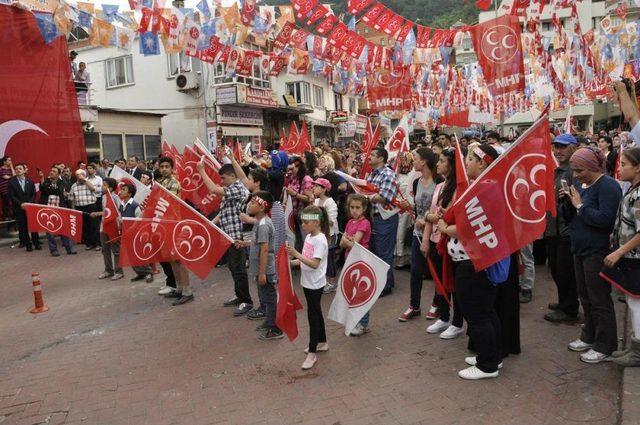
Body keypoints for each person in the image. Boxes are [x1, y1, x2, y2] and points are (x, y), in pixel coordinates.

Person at [437, 145, 502, 380]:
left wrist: (446, 228)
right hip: (471, 261)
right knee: (485, 312)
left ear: (483, 163)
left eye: (470, 159)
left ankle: (487, 365)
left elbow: (471, 227)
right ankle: (493, 356)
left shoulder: (485, 189)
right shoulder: (483, 186)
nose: (465, 163)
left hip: (473, 262)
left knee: (477, 314)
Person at [562, 147, 622, 363]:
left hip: (597, 251)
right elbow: (575, 217)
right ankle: (589, 336)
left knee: (599, 298)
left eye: (579, 170)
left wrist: (579, 206)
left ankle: (605, 345)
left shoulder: (608, 187)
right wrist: (568, 203)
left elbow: (605, 219)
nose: (576, 175)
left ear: (591, 167)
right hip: (579, 248)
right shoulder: (581, 185)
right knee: (585, 296)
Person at [199, 161, 252, 315]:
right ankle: (239, 295)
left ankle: (246, 301)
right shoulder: (231, 188)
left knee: (239, 269)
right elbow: (224, 212)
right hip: (228, 235)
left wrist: (201, 171)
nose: (221, 181)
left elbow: (213, 189)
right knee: (233, 267)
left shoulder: (237, 188)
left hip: (237, 236)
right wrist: (210, 224)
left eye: (223, 178)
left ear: (232, 176)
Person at [603, 147, 640, 367]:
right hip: (631, 256)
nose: (620, 167)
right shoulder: (632, 190)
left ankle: (638, 351)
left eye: (625, 164)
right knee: (632, 301)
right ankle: (634, 346)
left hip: (635, 257)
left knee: (636, 303)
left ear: (637, 167)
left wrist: (619, 251)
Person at [397, 148, 439, 325]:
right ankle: (414, 306)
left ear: (424, 162)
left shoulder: (440, 182)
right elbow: (417, 207)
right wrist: (409, 206)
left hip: (436, 234)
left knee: (436, 270)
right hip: (418, 233)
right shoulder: (416, 182)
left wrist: (426, 220)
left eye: (415, 158)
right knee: (415, 271)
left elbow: (439, 209)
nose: (412, 161)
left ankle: (438, 304)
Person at [286, 205, 330, 370]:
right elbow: (306, 259)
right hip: (307, 282)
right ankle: (322, 342)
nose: (302, 225)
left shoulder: (320, 240)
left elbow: (314, 263)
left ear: (316, 223)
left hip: (315, 284)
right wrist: (290, 263)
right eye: (302, 222)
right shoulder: (310, 237)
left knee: (312, 315)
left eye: (305, 222)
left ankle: (312, 352)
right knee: (316, 311)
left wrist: (296, 254)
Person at [544, 134, 581, 323]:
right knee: (557, 270)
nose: (558, 151)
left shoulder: (575, 171)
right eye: (556, 147)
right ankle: (564, 301)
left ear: (573, 148)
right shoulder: (558, 170)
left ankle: (569, 308)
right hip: (553, 228)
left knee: (564, 271)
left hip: (566, 230)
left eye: (563, 147)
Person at [241, 191, 283, 340]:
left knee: (270, 298)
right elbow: (258, 243)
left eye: (253, 203)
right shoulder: (260, 222)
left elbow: (265, 248)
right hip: (261, 268)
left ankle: (275, 328)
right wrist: (245, 243)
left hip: (265, 269)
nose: (249, 205)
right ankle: (269, 321)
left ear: (262, 207)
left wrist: (262, 272)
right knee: (266, 297)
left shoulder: (264, 224)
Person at [155, 157, 192, 305]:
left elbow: (165, 201)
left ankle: (188, 291)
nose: (164, 169)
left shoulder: (174, 183)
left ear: (172, 168)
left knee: (179, 258)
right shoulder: (161, 183)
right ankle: (179, 288)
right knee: (171, 258)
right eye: (162, 166)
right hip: (164, 224)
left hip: (174, 224)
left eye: (166, 166)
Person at [367, 147, 399, 296]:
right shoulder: (372, 174)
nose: (369, 157)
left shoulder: (387, 173)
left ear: (381, 159)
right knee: (375, 251)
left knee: (384, 252)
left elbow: (386, 196)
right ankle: (387, 281)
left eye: (373, 155)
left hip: (385, 218)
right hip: (374, 217)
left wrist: (366, 196)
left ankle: (385, 286)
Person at [340, 194, 373, 336]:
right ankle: (355, 320)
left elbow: (354, 244)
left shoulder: (364, 223)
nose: (354, 210)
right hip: (350, 261)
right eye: (352, 207)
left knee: (361, 294)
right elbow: (342, 244)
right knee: (352, 292)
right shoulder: (349, 222)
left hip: (361, 261)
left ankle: (363, 324)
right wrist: (348, 241)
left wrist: (348, 241)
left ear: (364, 208)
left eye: (357, 208)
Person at [40, 166, 76, 256]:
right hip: (48, 211)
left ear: (58, 174)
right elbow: (43, 189)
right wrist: (43, 180)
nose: (51, 172)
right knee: (50, 232)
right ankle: (54, 250)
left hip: (60, 209)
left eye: (54, 171)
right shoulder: (46, 182)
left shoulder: (61, 182)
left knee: (65, 230)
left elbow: (59, 191)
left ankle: (69, 249)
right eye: (51, 170)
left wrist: (51, 190)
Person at [93, 178, 123, 281]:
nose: (102, 187)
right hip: (104, 226)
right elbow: (105, 211)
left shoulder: (115, 198)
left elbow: (117, 211)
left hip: (114, 226)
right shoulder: (103, 197)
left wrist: (98, 213)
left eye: (104, 185)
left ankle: (119, 271)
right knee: (105, 249)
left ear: (110, 188)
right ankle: (108, 270)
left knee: (116, 250)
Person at [312, 178, 338, 292]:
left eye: (317, 186)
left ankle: (331, 282)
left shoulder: (330, 202)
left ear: (324, 189)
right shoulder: (316, 201)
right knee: (321, 258)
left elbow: (332, 221)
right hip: (319, 235)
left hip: (329, 235)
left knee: (330, 258)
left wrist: (319, 217)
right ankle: (323, 281)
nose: (314, 188)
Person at [8, 163, 40, 251]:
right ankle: (28, 245)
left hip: (30, 207)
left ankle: (36, 243)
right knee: (23, 227)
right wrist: (21, 204)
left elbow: (33, 194)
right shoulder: (11, 181)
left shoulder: (30, 181)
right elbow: (12, 195)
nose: (18, 170)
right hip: (19, 208)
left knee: (33, 226)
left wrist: (28, 204)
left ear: (24, 170)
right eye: (16, 169)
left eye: (20, 168)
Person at [285, 157, 314, 251]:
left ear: (299, 167)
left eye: (292, 169)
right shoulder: (293, 178)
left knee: (306, 241)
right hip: (294, 215)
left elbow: (310, 199)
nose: (290, 171)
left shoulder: (306, 179)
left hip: (304, 216)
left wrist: (295, 194)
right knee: (297, 242)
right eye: (288, 169)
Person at [394, 152, 417, 268]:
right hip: (395, 208)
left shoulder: (414, 175)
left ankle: (405, 258)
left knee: (403, 234)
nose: (403, 162)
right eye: (401, 159)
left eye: (405, 159)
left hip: (407, 210)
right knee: (398, 234)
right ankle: (399, 256)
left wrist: (409, 206)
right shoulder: (396, 174)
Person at [68, 169, 99, 250]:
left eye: (80, 175)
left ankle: (96, 244)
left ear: (84, 175)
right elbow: (72, 199)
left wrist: (85, 180)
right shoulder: (74, 185)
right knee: (85, 227)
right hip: (80, 208)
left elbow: (93, 189)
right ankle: (89, 244)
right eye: (77, 175)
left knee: (94, 225)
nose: (79, 177)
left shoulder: (89, 182)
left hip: (91, 206)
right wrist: (73, 209)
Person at [0, 156, 14, 221]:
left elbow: (14, 176)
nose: (10, 162)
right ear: (4, 161)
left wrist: (11, 168)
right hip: (5, 190)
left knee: (12, 203)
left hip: (11, 189)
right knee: (6, 204)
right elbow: (8, 177)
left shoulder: (10, 169)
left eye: (11, 160)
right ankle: (5, 217)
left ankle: (12, 216)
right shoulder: (1, 169)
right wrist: (13, 175)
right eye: (9, 160)